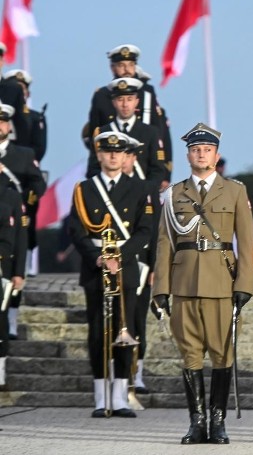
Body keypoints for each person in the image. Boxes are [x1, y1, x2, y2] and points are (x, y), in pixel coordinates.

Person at [152, 123, 253, 444]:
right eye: (196, 150)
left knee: (222, 355)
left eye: (207, 150)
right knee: (190, 355)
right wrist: (161, 288)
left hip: (221, 283)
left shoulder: (235, 191)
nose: (201, 154)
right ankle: (197, 421)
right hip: (184, 283)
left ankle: (218, 421)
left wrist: (244, 285)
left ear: (216, 155)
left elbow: (247, 243)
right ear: (188, 156)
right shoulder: (174, 193)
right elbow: (165, 243)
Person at [68, 131, 154, 418]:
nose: (113, 156)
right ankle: (99, 397)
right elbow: (76, 231)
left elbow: (145, 230)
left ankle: (120, 397)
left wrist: (121, 257)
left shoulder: (140, 188)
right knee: (96, 332)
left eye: (118, 152)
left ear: (125, 155)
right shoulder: (84, 188)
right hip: (96, 268)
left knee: (124, 330)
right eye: (107, 152)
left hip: (125, 268)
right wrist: (98, 259)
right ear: (99, 155)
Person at [87, 45, 172, 189]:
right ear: (112, 68)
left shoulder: (147, 94)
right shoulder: (101, 96)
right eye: (121, 65)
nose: (127, 70)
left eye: (131, 65)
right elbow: (94, 137)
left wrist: (166, 173)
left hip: (144, 170)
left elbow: (161, 135)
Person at [0, 103, 45, 338]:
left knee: (15, 268)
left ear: (8, 126)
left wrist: (24, 203)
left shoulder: (24, 154)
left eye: (2, 122)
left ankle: (12, 317)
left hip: (14, 222)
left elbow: (39, 183)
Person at [120, 136, 159, 396]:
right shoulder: (97, 187)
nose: (122, 159)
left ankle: (138, 372)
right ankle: (116, 375)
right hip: (111, 263)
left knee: (137, 320)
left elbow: (155, 230)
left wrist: (154, 265)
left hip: (140, 264)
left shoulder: (146, 188)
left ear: (134, 158)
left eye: (127, 154)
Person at [0, 173, 25, 387]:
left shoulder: (11, 195)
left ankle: (0, 370)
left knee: (1, 319)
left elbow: (20, 237)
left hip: (3, 269)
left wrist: (19, 272)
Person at [3, 69, 47, 161]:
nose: (19, 92)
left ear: (28, 93)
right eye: (14, 88)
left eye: (22, 89)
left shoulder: (35, 118)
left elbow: (39, 148)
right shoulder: (3, 115)